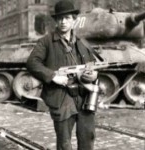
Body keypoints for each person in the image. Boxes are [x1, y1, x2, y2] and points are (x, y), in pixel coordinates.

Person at [27, 1, 98, 149]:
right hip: (61, 99)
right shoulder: (46, 41)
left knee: (87, 140)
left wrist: (91, 76)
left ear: (74, 20)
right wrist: (53, 76)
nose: (63, 22)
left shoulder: (82, 43)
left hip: (84, 99)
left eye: (67, 18)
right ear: (56, 21)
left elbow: (92, 66)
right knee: (64, 144)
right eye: (60, 18)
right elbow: (32, 63)